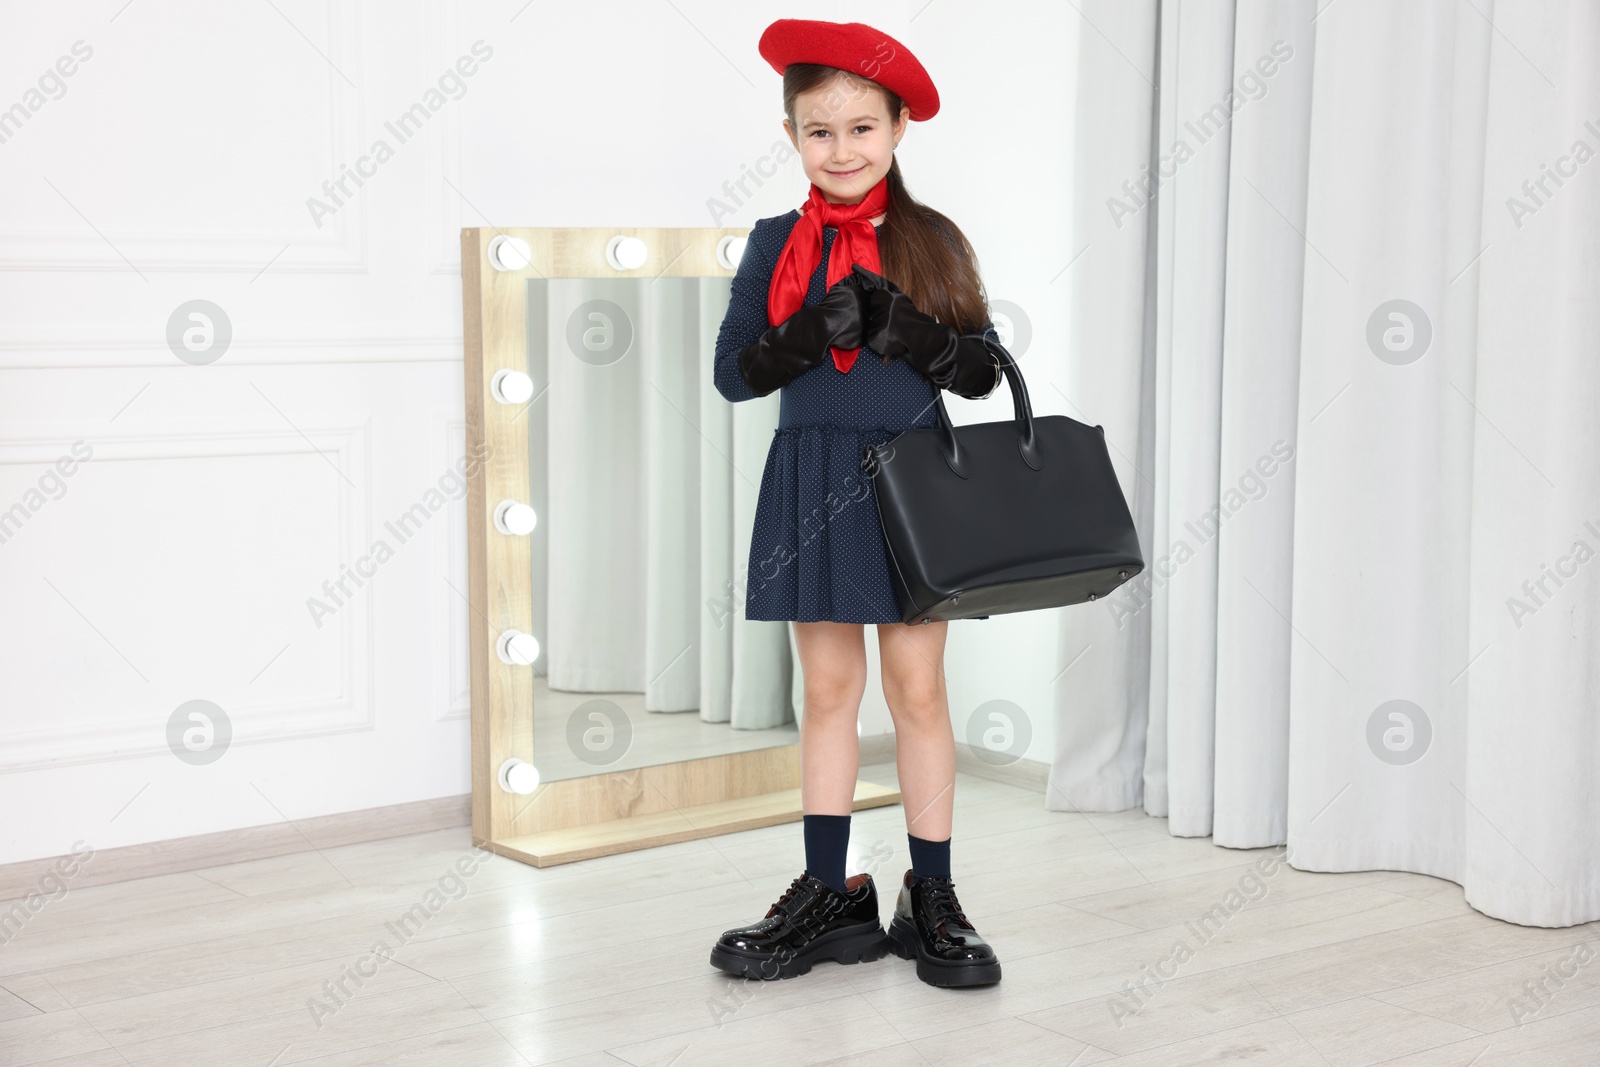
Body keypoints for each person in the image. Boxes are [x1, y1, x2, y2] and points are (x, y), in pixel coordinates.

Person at [706, 19, 1008, 990]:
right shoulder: (771, 242)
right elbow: (733, 376)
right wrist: (804, 333)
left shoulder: (932, 239)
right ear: (792, 135)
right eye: (818, 131)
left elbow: (980, 379)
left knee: (916, 690)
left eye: (860, 128)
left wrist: (913, 334)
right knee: (828, 692)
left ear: (896, 131)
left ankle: (932, 896)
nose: (841, 149)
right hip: (811, 480)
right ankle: (832, 889)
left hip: (912, 485)